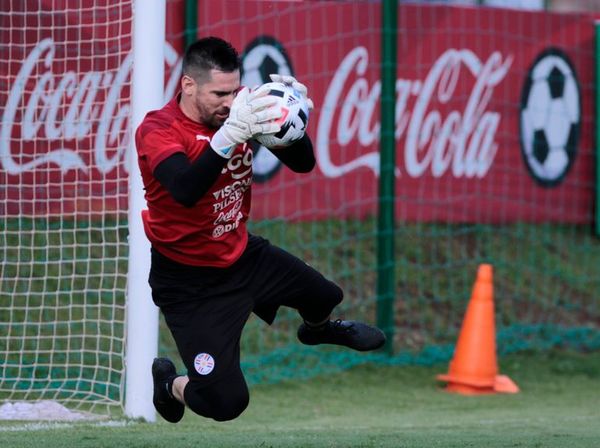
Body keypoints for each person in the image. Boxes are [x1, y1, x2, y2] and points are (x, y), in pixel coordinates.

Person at [134, 36, 386, 424]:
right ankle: (172, 386)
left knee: (324, 295)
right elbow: (184, 189)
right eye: (219, 93)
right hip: (188, 282)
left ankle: (315, 331)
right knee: (226, 403)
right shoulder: (159, 129)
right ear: (188, 85)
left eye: (234, 90)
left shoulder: (239, 111)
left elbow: (303, 164)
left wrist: (291, 121)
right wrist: (229, 136)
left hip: (242, 256)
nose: (229, 101)